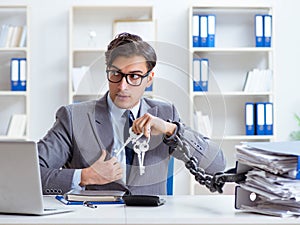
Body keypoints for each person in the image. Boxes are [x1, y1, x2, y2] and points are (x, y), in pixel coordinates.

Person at [38, 32, 226, 195]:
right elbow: (30, 173)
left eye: (134, 76)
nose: (122, 86)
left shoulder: (166, 113)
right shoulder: (73, 117)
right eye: (115, 74)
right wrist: (84, 176)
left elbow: (216, 166)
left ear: (149, 78)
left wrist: (171, 130)